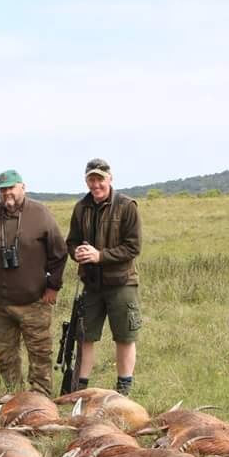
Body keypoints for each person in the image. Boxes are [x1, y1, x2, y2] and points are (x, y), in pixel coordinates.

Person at [0, 169, 66, 395]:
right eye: (2, 189)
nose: (7, 193)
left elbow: (59, 253)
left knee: (40, 353)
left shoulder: (40, 214)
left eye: (11, 188)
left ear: (22, 187)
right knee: (5, 354)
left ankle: (40, 398)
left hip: (34, 301)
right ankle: (13, 396)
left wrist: (53, 286)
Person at [65, 158, 142, 395]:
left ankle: (124, 389)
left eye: (100, 179)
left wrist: (100, 256)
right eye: (91, 179)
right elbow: (72, 241)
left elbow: (133, 247)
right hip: (91, 284)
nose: (96, 184)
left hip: (121, 282)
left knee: (124, 336)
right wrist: (76, 252)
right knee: (84, 336)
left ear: (110, 179)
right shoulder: (81, 208)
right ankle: (80, 389)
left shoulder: (127, 206)